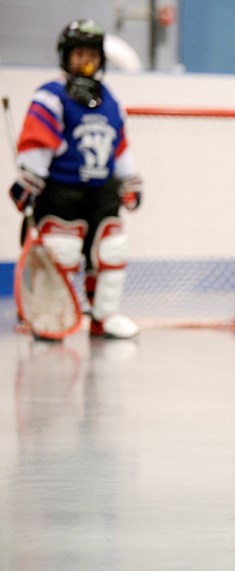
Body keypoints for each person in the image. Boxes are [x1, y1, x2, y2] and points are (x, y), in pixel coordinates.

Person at [9, 19, 143, 340]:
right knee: (62, 251)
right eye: (78, 54)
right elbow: (37, 143)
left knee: (112, 249)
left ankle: (104, 316)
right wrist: (29, 183)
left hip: (103, 193)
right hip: (61, 193)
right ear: (65, 57)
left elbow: (119, 145)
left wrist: (131, 182)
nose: (85, 62)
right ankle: (53, 314)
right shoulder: (51, 96)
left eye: (92, 55)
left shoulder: (111, 100)